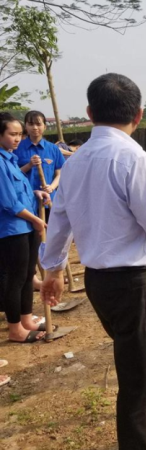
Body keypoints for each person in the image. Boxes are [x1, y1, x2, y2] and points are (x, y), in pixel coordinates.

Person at [40, 73, 146, 449]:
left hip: (100, 283)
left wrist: (52, 269)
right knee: (139, 378)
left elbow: (58, 220)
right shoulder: (132, 158)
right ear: (138, 115)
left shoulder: (75, 162)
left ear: (89, 113)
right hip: (132, 285)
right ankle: (139, 437)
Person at [0, 112, 50, 343]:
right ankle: (15, 329)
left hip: (27, 226)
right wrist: (35, 220)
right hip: (12, 229)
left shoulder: (10, 159)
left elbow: (20, 192)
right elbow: (9, 202)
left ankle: (26, 319)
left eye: (19, 134)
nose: (18, 138)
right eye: (12, 134)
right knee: (16, 278)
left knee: (28, 274)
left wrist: (36, 193)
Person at [15, 110, 65, 212]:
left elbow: (60, 173)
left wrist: (51, 187)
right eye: (31, 124)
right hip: (26, 201)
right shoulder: (17, 148)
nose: (35, 127)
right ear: (25, 127)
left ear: (45, 126)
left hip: (49, 201)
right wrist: (29, 165)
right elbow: (13, 174)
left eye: (38, 124)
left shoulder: (53, 149)